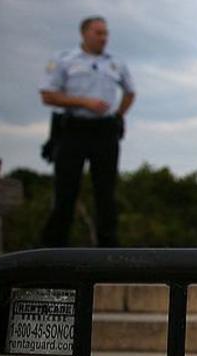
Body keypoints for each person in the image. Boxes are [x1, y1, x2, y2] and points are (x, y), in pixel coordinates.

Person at [38, 16, 135, 247]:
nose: (103, 38)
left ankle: (108, 251)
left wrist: (118, 115)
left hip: (105, 130)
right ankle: (53, 250)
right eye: (98, 33)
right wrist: (83, 102)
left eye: (105, 33)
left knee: (106, 192)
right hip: (74, 127)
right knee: (66, 191)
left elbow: (130, 92)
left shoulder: (115, 63)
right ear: (84, 34)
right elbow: (47, 95)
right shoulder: (65, 60)